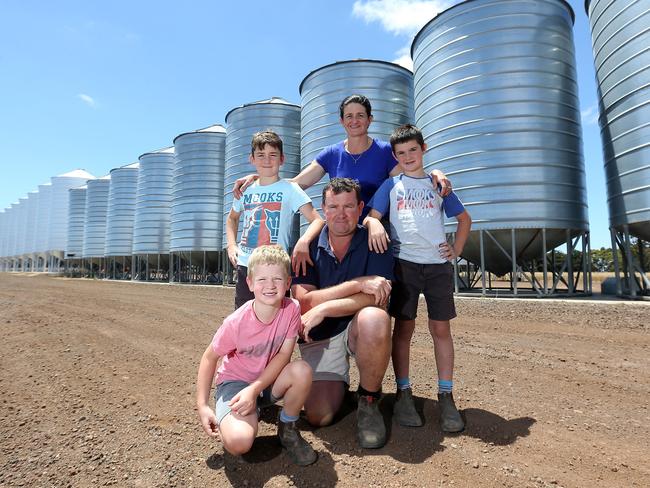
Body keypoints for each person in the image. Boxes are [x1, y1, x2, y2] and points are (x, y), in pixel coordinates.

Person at [364, 124, 472, 433]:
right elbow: (373, 215)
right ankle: (404, 392)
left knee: (441, 329)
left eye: (413, 150)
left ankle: (447, 395)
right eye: (401, 153)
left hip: (437, 266)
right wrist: (373, 223)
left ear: (423, 149)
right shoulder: (392, 185)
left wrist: (457, 248)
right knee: (404, 329)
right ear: (395, 156)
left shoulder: (439, 186)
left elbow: (464, 219)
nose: (408, 156)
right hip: (404, 265)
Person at [291, 178, 394, 449]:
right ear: (323, 209)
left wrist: (325, 306)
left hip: (357, 329)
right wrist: (359, 284)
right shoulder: (307, 248)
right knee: (318, 416)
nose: (341, 213)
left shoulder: (376, 239)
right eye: (333, 206)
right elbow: (303, 303)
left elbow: (379, 296)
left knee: (375, 317)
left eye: (348, 206)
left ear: (360, 208)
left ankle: (369, 400)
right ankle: (340, 389)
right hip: (321, 336)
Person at [233, 94, 452, 219]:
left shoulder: (385, 151)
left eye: (360, 115)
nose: (354, 120)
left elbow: (410, 179)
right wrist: (258, 178)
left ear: (369, 120)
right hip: (341, 229)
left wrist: (435, 172)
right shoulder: (331, 154)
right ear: (341, 121)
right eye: (349, 116)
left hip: (379, 228)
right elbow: (296, 184)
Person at [196, 245, 318, 466]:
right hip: (236, 383)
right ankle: (240, 415)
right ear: (250, 283)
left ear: (288, 283)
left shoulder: (292, 309)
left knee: (302, 370)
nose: (270, 286)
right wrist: (203, 405)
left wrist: (255, 390)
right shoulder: (236, 323)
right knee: (240, 443)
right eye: (261, 279)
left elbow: (283, 355)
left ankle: (287, 428)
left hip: (266, 382)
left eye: (277, 279)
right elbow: (209, 357)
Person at [226, 130, 324, 309]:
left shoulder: (291, 189)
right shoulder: (245, 190)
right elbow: (232, 218)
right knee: (245, 316)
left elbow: (317, 220)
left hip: (277, 267)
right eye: (261, 155)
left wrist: (303, 241)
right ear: (252, 159)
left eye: (273, 155)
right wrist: (232, 245)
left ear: (282, 159)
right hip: (247, 265)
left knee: (275, 319)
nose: (267, 160)